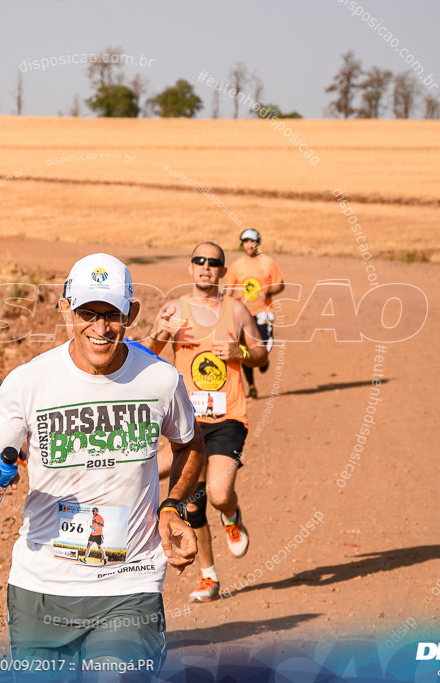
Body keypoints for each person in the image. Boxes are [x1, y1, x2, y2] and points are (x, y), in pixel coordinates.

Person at [0, 253, 204, 675]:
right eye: (87, 312)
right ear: (65, 309)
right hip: (41, 587)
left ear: (132, 313)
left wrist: (173, 506)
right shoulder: (29, 381)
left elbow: (190, 444)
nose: (100, 326)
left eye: (112, 313)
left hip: (130, 582)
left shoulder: (160, 379)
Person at [147, 242, 267, 603]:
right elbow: (147, 355)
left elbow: (262, 353)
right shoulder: (173, 310)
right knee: (193, 503)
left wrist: (240, 352)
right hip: (184, 422)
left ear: (221, 271)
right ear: (190, 268)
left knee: (217, 493)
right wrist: (160, 333)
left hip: (227, 418)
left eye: (213, 262)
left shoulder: (237, 310)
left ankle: (231, 514)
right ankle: (208, 577)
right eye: (199, 261)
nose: (205, 267)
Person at [224, 228, 285, 398]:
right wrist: (222, 305)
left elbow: (280, 284)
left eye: (253, 241)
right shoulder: (237, 266)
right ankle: (251, 386)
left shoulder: (268, 262)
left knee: (263, 347)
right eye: (246, 242)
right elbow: (229, 289)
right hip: (244, 314)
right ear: (241, 244)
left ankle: (263, 359)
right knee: (245, 351)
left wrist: (269, 292)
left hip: (264, 313)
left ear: (258, 243)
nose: (250, 245)